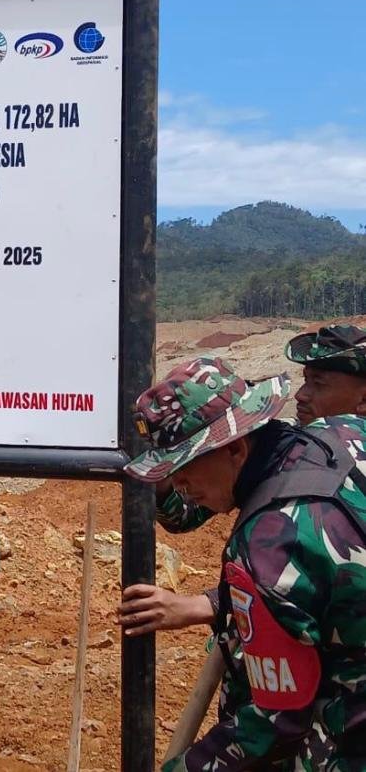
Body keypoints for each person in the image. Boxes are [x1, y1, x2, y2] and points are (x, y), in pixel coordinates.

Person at [120, 356, 366, 769]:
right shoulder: (342, 433)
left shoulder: (268, 545)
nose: (180, 487)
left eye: (183, 469)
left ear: (235, 448)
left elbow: (275, 723)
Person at [153, 323, 366, 536]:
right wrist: (164, 482)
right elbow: (184, 515)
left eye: (319, 384)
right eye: (306, 380)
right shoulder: (281, 445)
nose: (301, 394)